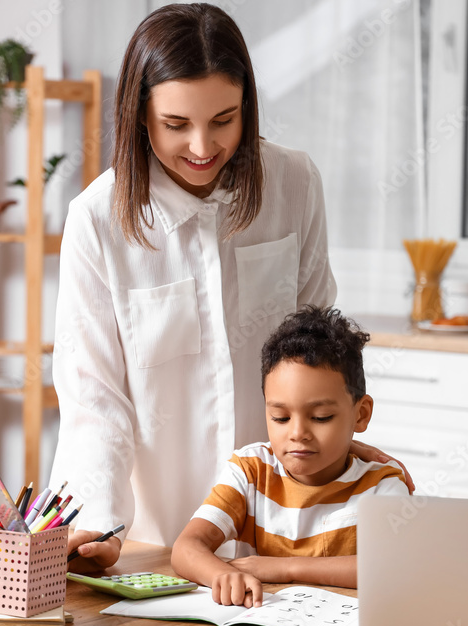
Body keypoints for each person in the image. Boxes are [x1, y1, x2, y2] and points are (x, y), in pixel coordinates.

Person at [50, 3, 412, 573]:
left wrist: (337, 441)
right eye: (176, 125)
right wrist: (99, 520)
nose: (201, 146)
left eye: (224, 119)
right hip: (157, 540)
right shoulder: (97, 219)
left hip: (285, 537)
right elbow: (94, 398)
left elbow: (319, 349)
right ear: (139, 114)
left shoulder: (293, 183)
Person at [171, 306, 409, 607]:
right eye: (280, 418)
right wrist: (221, 575)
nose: (298, 433)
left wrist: (283, 568)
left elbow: (394, 567)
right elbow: (186, 547)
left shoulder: (382, 486)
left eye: (321, 417)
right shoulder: (250, 472)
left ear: (360, 415)